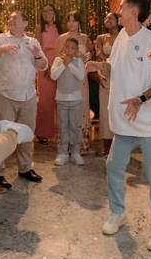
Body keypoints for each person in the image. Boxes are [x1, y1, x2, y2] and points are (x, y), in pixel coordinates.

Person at [86, 0, 151, 252]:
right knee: (114, 165)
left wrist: (140, 99)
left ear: (134, 11)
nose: (118, 10)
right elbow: (115, 67)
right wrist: (98, 65)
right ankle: (118, 213)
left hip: (150, 122)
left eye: (122, 7)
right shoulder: (120, 38)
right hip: (125, 120)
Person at [0, 10, 48, 187]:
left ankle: (26, 168)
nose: (11, 20)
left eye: (15, 18)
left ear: (25, 23)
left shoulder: (33, 42)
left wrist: (37, 55)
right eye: (9, 18)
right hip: (6, 92)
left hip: (28, 94)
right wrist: (0, 50)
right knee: (1, 134)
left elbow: (44, 66)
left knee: (27, 133)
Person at [57, 10, 95, 157]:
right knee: (66, 112)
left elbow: (89, 56)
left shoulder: (85, 38)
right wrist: (70, 56)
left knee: (82, 109)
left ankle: (81, 144)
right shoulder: (62, 38)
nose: (71, 23)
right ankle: (65, 146)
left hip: (81, 78)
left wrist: (85, 56)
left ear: (79, 22)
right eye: (69, 20)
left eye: (74, 20)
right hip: (67, 76)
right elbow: (56, 58)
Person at [50, 36, 87, 166]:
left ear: (76, 50)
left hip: (76, 99)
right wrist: (63, 64)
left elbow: (81, 76)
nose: (70, 50)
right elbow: (53, 75)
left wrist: (69, 64)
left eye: (73, 48)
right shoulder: (58, 60)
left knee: (74, 126)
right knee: (62, 126)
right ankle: (63, 152)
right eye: (68, 47)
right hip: (61, 99)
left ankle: (75, 152)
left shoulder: (78, 61)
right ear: (64, 48)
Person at [92, 12, 120, 157]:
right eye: (106, 18)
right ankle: (107, 148)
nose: (107, 20)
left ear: (118, 21)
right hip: (106, 75)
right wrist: (99, 75)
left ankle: (120, 147)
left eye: (110, 18)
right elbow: (99, 57)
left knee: (119, 109)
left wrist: (108, 58)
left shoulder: (124, 36)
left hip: (121, 75)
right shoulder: (101, 38)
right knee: (105, 111)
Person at [35, 4, 61, 142]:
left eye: (50, 10)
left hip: (60, 63)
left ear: (54, 12)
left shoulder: (61, 28)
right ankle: (42, 133)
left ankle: (61, 132)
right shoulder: (39, 28)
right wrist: (45, 65)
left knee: (60, 99)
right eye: (44, 11)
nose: (47, 13)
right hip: (44, 63)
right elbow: (36, 48)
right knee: (45, 100)